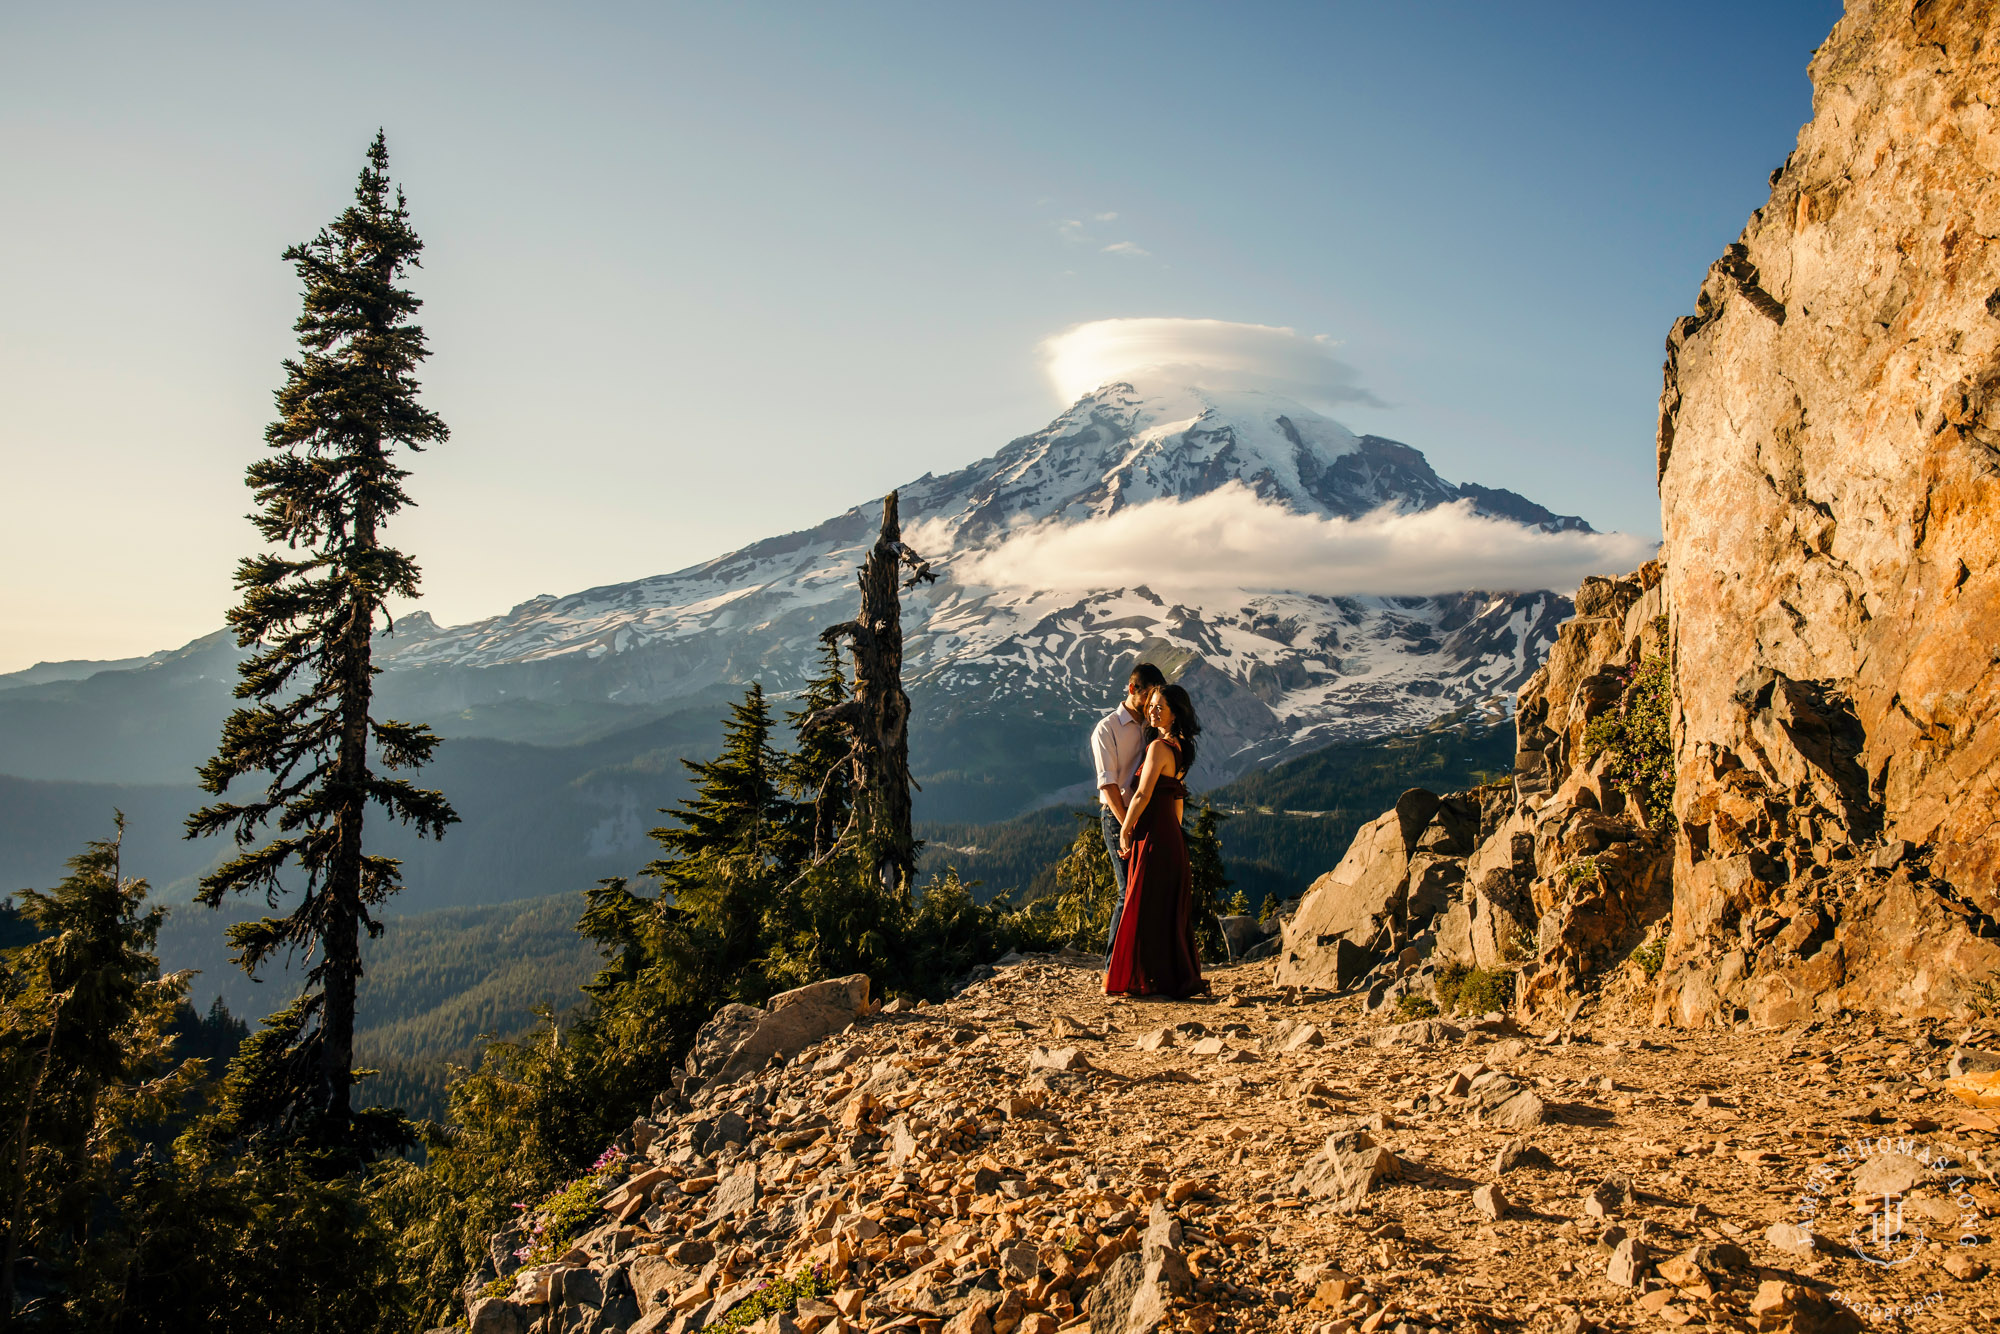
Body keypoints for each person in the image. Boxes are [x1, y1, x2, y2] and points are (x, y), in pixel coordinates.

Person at [1104, 683, 1209, 1000]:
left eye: (1159, 707)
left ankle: (1145, 978)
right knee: (1163, 909)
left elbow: (1143, 794)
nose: (1152, 710)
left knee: (1145, 903)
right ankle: (1164, 978)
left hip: (1153, 836)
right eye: (1150, 705)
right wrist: (1175, 837)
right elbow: (1177, 801)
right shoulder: (1180, 748)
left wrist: (1125, 827)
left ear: (1174, 713)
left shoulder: (1158, 749)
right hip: (1167, 836)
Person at [1091, 663, 1165, 963]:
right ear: (1133, 690)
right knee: (1128, 890)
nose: (1152, 703)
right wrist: (1127, 824)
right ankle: (1113, 964)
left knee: (1148, 891)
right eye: (1149, 695)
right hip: (1117, 816)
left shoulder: (1152, 726)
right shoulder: (1106, 729)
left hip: (1147, 814)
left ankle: (1140, 962)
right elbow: (1108, 786)